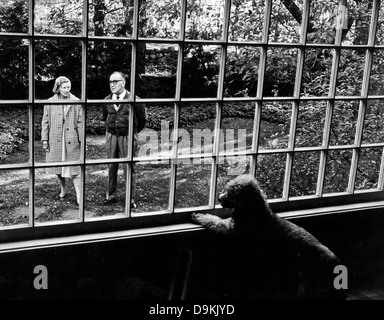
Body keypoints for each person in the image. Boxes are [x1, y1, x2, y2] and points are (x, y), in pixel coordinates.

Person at [101, 71, 146, 207]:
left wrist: (132, 133)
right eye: (110, 82)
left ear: (123, 82)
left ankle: (130, 198)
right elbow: (105, 117)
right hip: (111, 136)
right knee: (111, 167)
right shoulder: (107, 100)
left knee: (128, 167)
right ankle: (111, 195)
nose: (112, 84)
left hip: (127, 136)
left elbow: (142, 120)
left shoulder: (134, 99)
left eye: (115, 81)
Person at [41, 76, 83, 206]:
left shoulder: (76, 101)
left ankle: (79, 197)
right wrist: (45, 140)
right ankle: (63, 189)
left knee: (76, 170)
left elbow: (80, 123)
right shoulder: (49, 102)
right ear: (58, 88)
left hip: (71, 139)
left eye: (68, 87)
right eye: (64, 87)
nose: (66, 90)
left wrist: (82, 141)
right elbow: (45, 122)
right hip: (55, 139)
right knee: (57, 167)